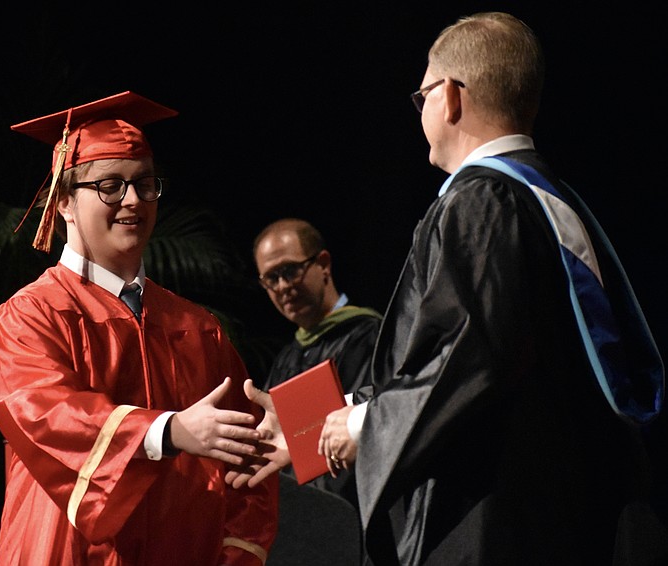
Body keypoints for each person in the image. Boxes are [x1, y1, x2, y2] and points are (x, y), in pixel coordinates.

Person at [229, 12, 666, 565]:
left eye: (423, 94)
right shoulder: (551, 200)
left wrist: (360, 423)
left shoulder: (482, 203)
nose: (422, 110)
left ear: (452, 97)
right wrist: (303, 429)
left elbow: (470, 359)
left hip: (500, 521)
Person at [0, 91, 279, 565]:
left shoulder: (197, 327)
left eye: (144, 183)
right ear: (63, 203)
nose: (133, 200)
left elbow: (250, 468)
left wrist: (234, 555)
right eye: (110, 186)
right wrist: (168, 430)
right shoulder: (30, 318)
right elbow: (48, 416)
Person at [254, 218, 381, 565]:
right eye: (270, 279)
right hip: (300, 532)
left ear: (323, 264)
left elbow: (377, 423)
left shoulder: (368, 338)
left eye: (290, 271)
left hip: (356, 526)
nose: (282, 286)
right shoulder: (286, 358)